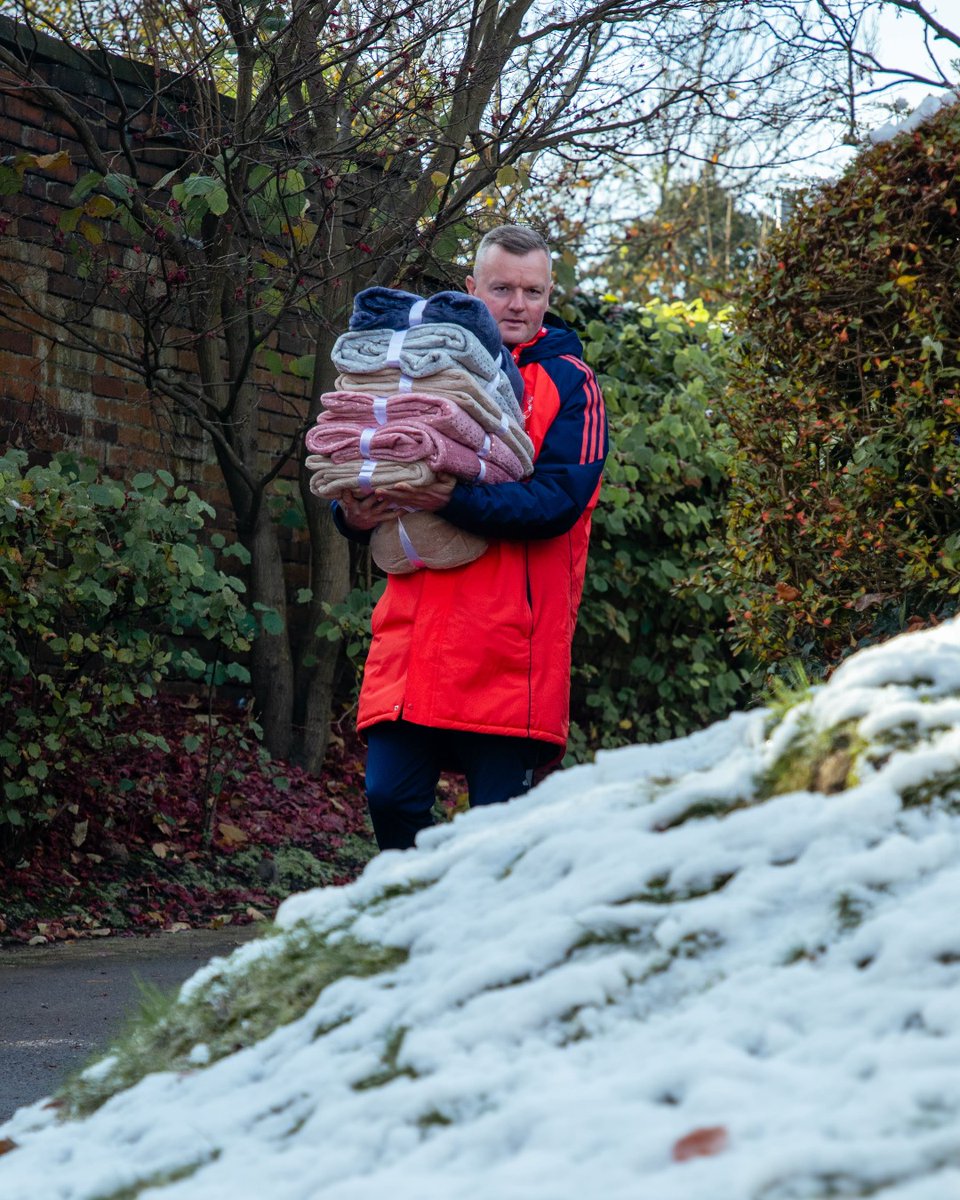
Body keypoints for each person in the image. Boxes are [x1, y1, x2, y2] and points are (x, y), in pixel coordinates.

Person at [333, 225, 608, 851]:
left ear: (548, 295)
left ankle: (492, 939)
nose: (517, 304)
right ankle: (420, 925)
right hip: (416, 633)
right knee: (388, 796)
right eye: (501, 288)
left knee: (500, 838)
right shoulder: (420, 365)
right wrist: (353, 513)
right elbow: (369, 466)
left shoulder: (571, 383)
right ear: (470, 291)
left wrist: (451, 499)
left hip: (511, 648)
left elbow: (559, 503)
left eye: (532, 291)